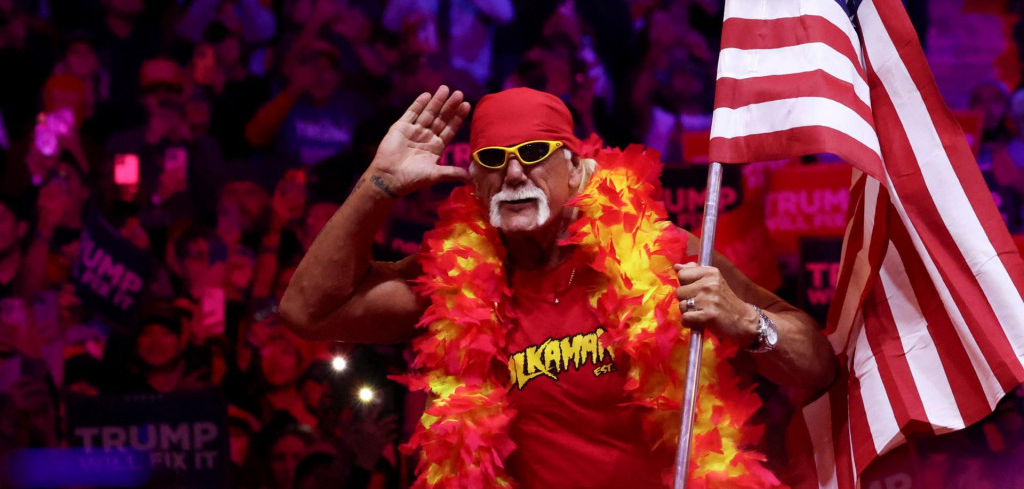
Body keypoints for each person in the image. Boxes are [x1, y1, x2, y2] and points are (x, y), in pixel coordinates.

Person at [280, 86, 837, 486]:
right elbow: (307, 312)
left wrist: (748, 323)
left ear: (577, 169)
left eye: (535, 154)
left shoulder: (664, 254)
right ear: (473, 183)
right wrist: (378, 185)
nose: (515, 174)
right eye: (494, 160)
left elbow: (818, 365)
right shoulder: (448, 288)